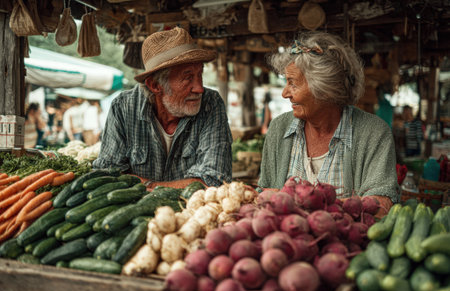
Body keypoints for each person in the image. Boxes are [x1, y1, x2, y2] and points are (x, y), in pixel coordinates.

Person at [258, 31, 399, 214]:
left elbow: (380, 206)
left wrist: (299, 202)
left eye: (292, 83)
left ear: (324, 89)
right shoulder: (279, 129)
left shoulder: (373, 133)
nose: (285, 93)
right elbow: (263, 195)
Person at [93, 27, 233, 189]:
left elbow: (214, 179)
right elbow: (109, 174)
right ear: (155, 85)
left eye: (200, 74)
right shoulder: (123, 107)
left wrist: (147, 185)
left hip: (193, 212)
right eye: (188, 78)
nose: (199, 88)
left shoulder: (210, 103)